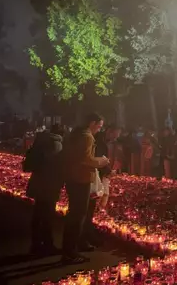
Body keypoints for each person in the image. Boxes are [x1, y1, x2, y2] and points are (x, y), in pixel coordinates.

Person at [60, 113, 109, 264]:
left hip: (72, 177)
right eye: (99, 126)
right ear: (92, 123)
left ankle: (74, 246)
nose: (99, 130)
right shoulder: (86, 137)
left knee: (75, 214)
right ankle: (70, 252)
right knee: (78, 215)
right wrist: (101, 161)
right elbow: (85, 159)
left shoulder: (75, 134)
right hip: (81, 178)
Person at [24, 124, 65, 255]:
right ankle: (48, 244)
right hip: (49, 184)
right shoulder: (56, 144)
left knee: (38, 213)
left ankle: (35, 244)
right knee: (47, 215)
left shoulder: (41, 141)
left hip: (38, 181)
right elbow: (56, 166)